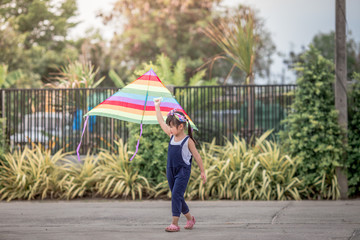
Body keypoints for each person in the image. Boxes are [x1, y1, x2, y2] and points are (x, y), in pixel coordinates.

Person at [154, 98, 206, 232]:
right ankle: (190, 218)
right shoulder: (171, 135)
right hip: (170, 171)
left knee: (176, 195)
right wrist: (157, 106)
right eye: (169, 126)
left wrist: (202, 172)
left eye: (172, 126)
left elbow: (197, 156)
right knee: (178, 196)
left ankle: (174, 223)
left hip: (183, 171)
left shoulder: (188, 141)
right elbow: (160, 122)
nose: (169, 128)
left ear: (181, 126)